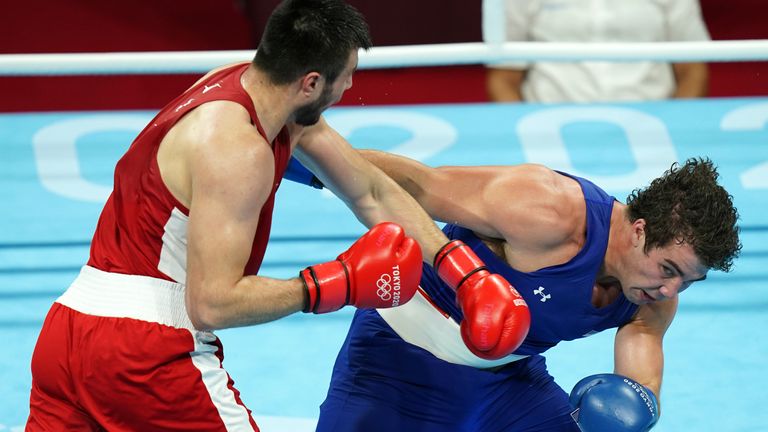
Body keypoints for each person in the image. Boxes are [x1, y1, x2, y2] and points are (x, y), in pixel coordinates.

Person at [25, 1, 531, 430]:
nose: (350, 86)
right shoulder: (237, 150)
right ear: (311, 82)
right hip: (145, 350)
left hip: (67, 333)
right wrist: (333, 285)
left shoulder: (246, 90)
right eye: (346, 77)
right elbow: (213, 304)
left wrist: (459, 270)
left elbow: (370, 190)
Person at [313, 153, 741, 431]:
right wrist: (303, 154)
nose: (671, 289)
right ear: (639, 230)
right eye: (668, 269)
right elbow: (420, 185)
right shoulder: (548, 209)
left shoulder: (655, 297)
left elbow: (638, 389)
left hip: (506, 383)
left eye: (687, 280)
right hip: (393, 361)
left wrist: (633, 408)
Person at [484, 0, 711, 103]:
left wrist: (675, 127)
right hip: (551, 121)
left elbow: (692, 70)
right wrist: (529, 132)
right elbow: (504, 78)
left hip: (651, 122)